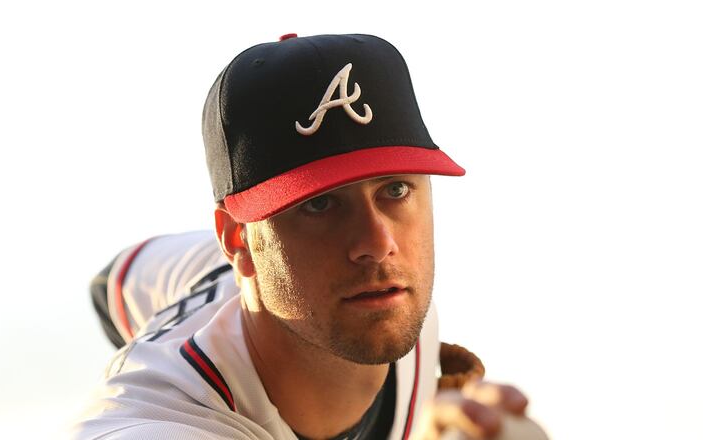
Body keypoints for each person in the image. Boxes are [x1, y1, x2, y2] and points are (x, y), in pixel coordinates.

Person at [74, 33, 532, 440]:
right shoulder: (162, 425)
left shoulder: (393, 304)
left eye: (395, 189)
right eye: (319, 203)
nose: (378, 242)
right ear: (239, 241)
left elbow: (112, 283)